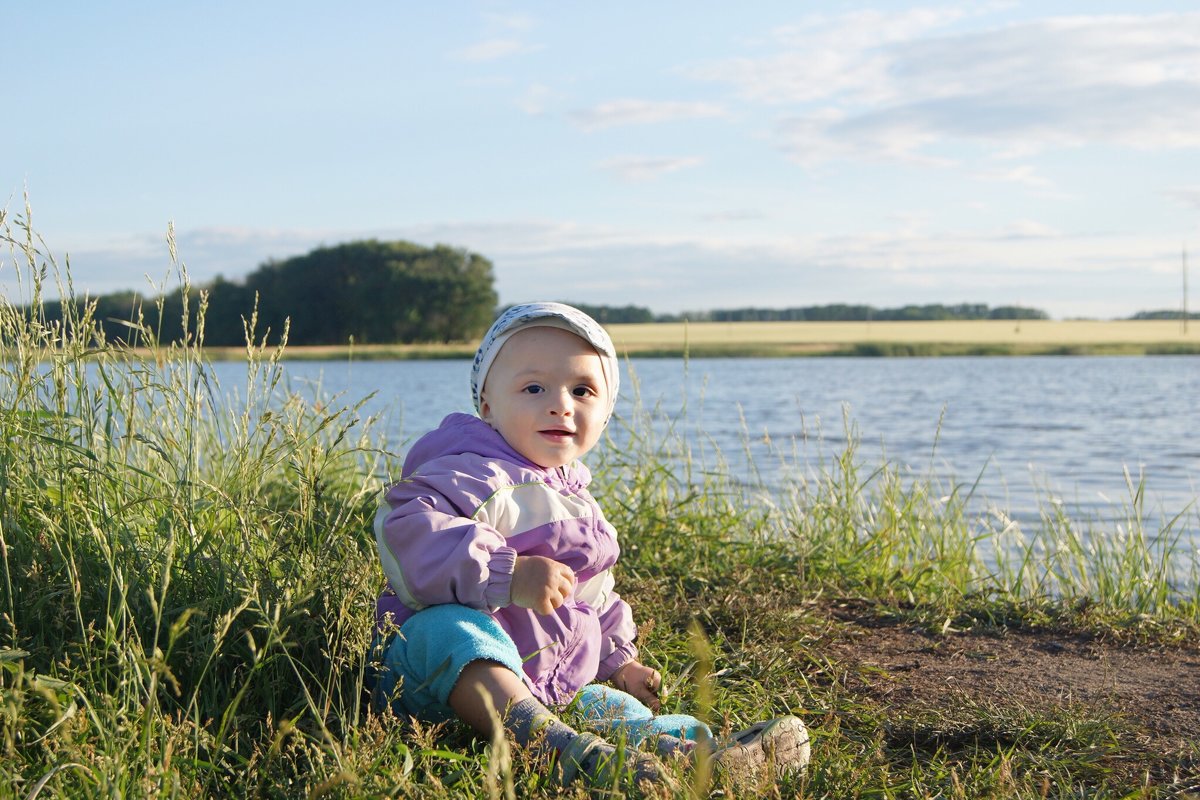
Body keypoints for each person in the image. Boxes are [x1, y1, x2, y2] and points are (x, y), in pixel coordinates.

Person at [371, 302, 810, 789]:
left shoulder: (583, 510)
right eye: (533, 388)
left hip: (551, 684)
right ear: (488, 404)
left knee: (607, 705)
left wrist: (620, 661)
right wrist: (507, 575)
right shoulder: (469, 470)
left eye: (582, 391)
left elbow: (594, 597)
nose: (560, 404)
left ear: (604, 416)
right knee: (452, 632)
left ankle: (695, 758)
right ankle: (559, 752)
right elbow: (406, 531)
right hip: (438, 678)